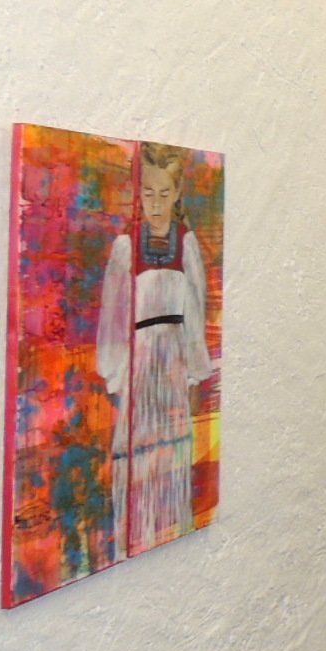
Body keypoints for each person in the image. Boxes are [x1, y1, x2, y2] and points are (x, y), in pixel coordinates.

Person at [97, 141, 214, 557]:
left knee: (172, 454)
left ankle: (170, 533)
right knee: (137, 453)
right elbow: (113, 316)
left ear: (177, 193)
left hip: (173, 364)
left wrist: (194, 374)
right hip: (140, 364)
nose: (157, 203)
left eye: (165, 193)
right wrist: (115, 374)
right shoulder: (126, 247)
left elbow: (195, 312)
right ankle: (133, 537)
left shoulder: (187, 245)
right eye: (149, 193)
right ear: (139, 193)